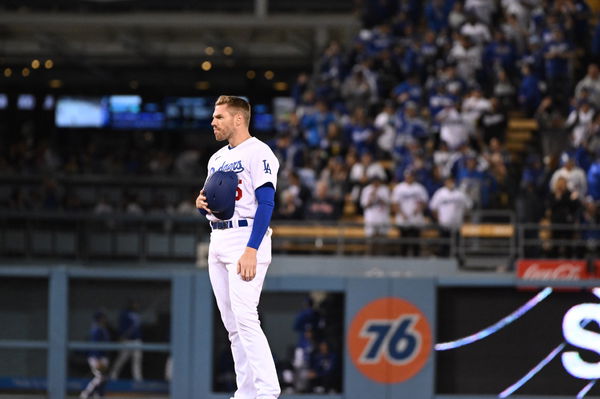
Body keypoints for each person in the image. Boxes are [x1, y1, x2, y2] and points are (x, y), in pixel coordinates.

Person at [196, 95, 280, 399]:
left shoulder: (259, 152)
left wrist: (252, 249)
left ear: (238, 119)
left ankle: (268, 392)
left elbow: (267, 202)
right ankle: (245, 394)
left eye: (219, 117)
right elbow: (213, 205)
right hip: (217, 238)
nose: (213, 122)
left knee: (246, 318)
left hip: (246, 239)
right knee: (232, 326)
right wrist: (201, 205)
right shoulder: (216, 158)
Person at [80, 311, 111, 399]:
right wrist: (97, 359)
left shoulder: (103, 328)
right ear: (99, 319)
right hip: (96, 357)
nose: (105, 319)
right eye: (103, 317)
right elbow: (94, 345)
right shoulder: (96, 329)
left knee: (103, 378)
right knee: (100, 377)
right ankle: (85, 394)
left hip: (102, 357)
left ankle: (98, 395)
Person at [110, 299, 143, 381]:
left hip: (136, 341)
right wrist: (121, 336)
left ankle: (137, 378)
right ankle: (113, 375)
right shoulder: (124, 313)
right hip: (127, 340)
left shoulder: (137, 314)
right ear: (131, 304)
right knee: (122, 359)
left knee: (137, 360)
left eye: (137, 304)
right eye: (135, 304)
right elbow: (121, 326)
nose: (137, 306)